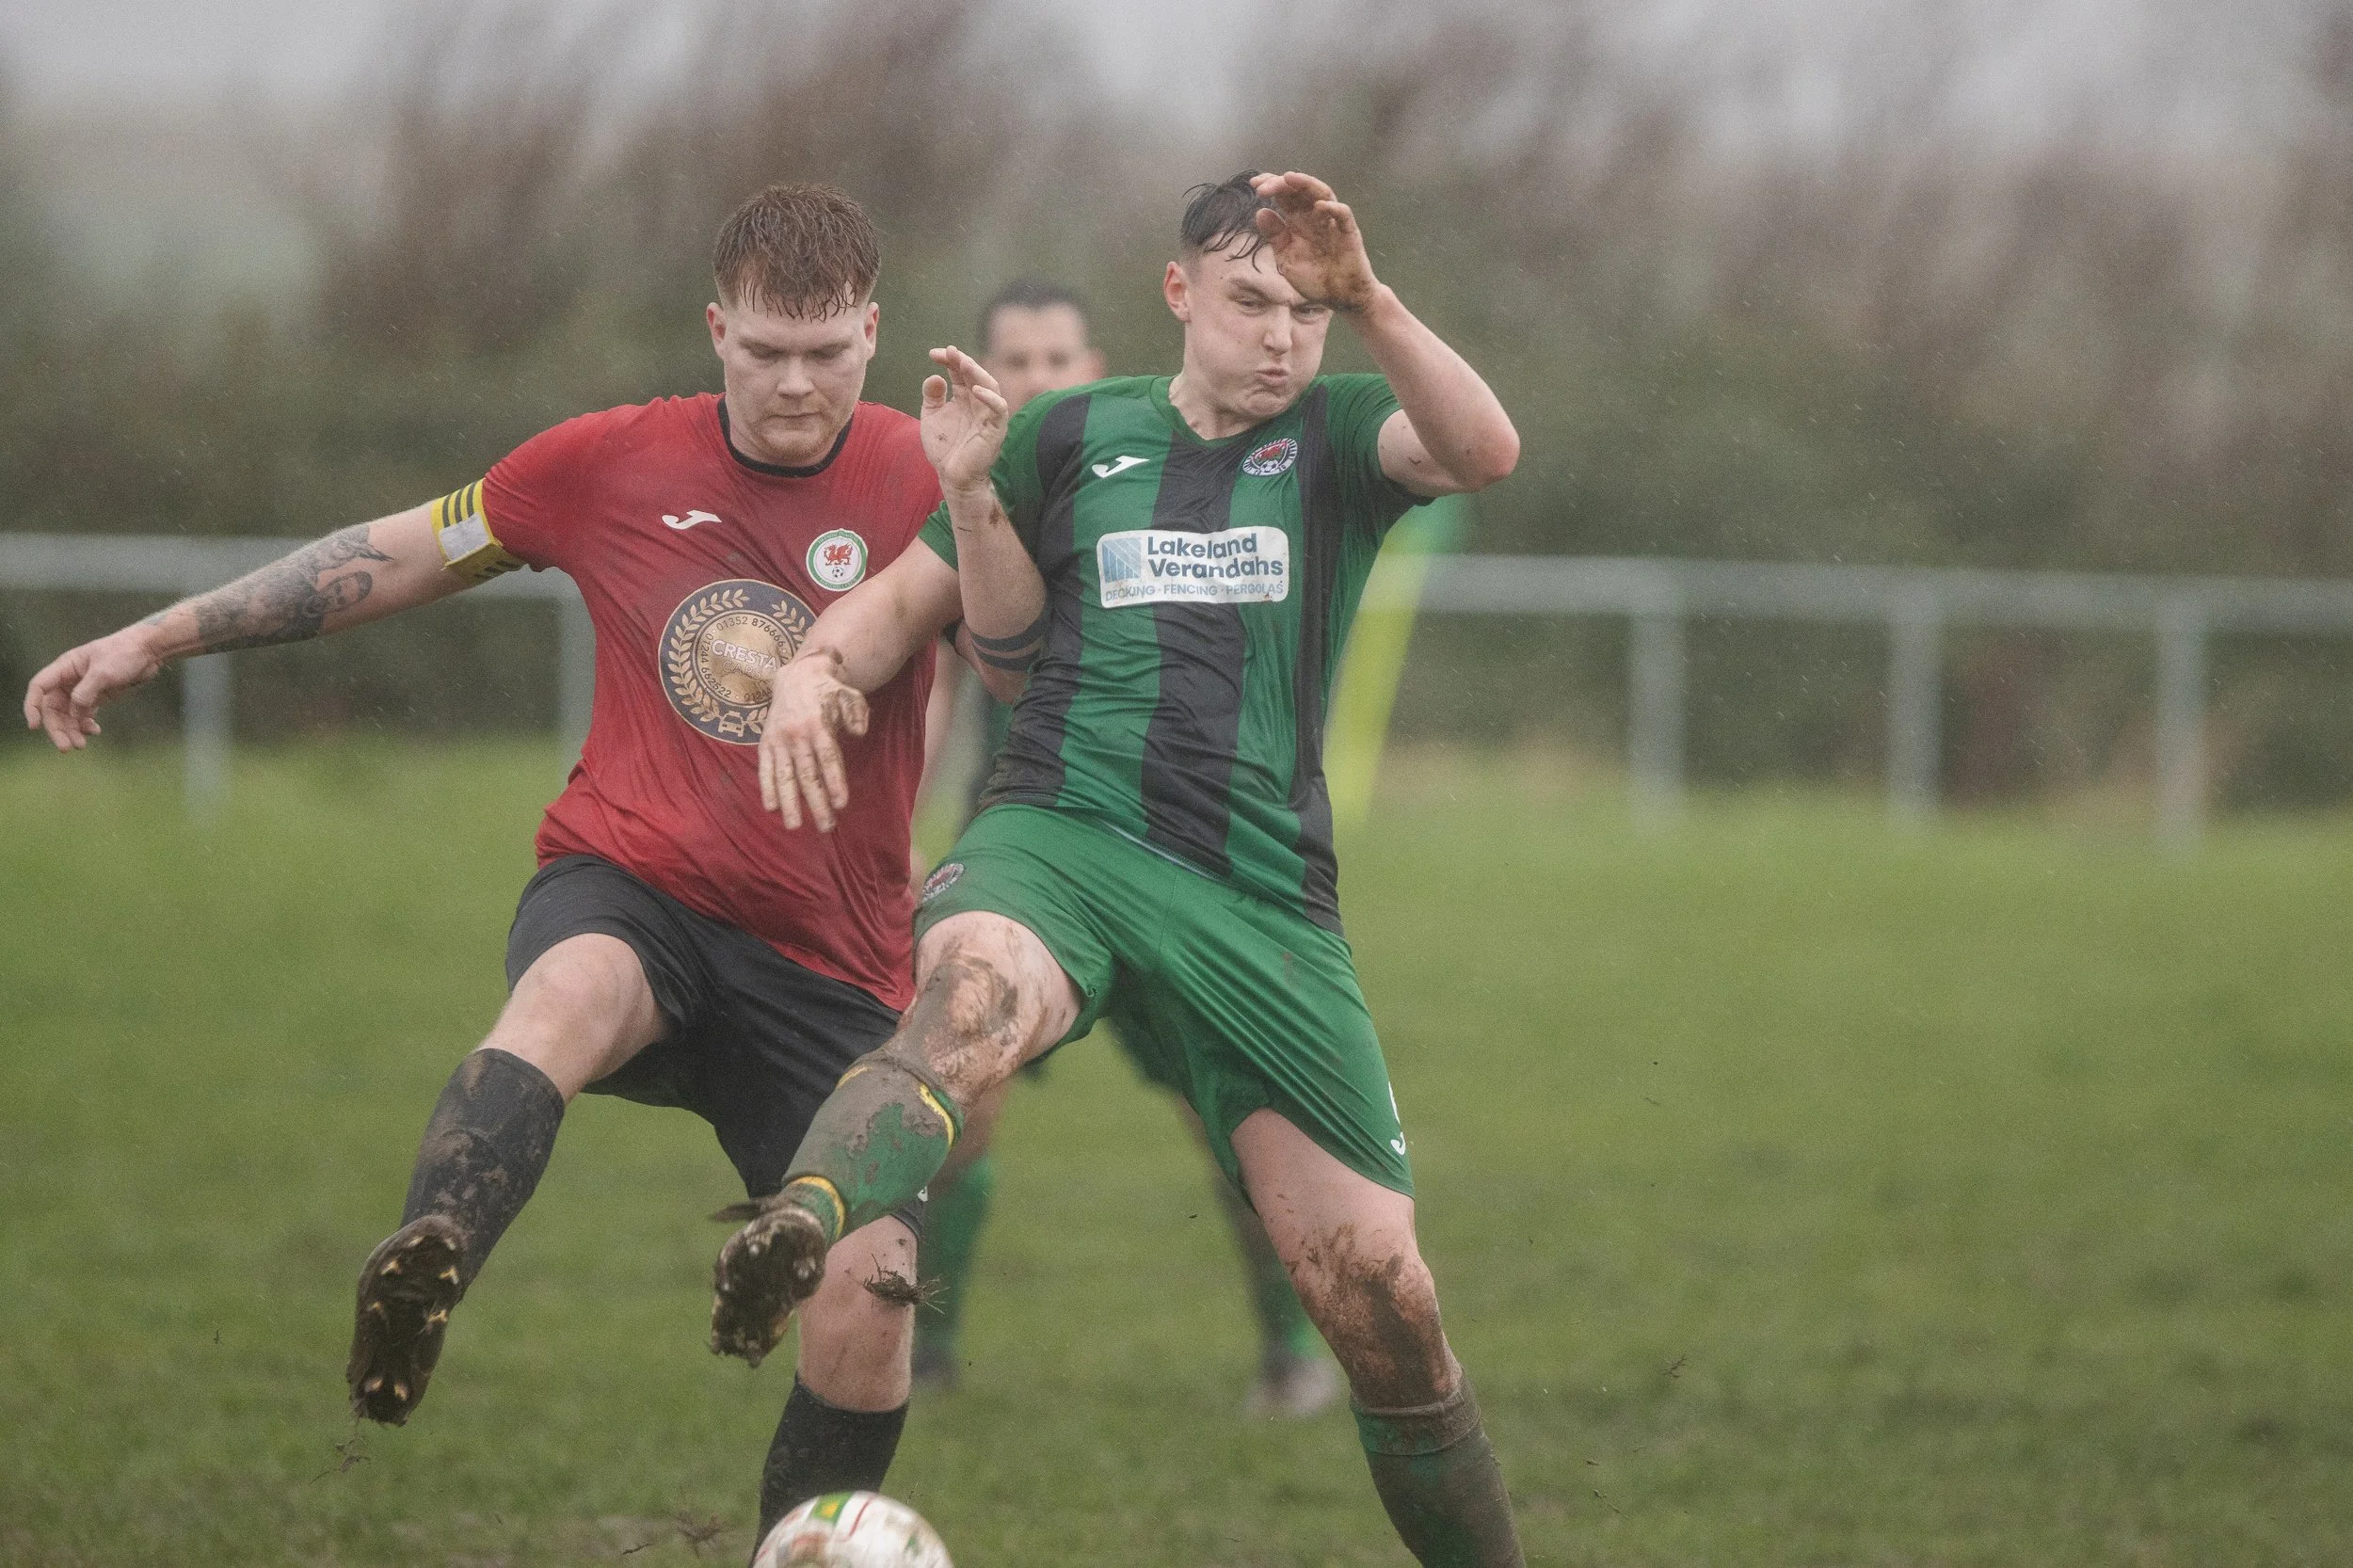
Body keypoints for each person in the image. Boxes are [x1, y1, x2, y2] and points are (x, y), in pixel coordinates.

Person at [22, 184, 974, 1543]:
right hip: (635, 882)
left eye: (825, 352)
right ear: (714, 330)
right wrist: (161, 638)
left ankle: (795, 1542)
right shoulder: (608, 462)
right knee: (565, 996)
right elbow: (398, 551)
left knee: (870, 1297)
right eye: (764, 349)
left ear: (874, 334)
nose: (793, 381)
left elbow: (1031, 631)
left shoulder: (923, 471)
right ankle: (431, 1260)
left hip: (831, 957)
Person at [718, 170, 1526, 1566]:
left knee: (1388, 1303)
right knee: (966, 1005)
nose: (1284, 338)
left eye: (1306, 314)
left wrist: (1374, 299)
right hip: (1061, 836)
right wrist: (815, 665)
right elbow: (956, 620)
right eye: (1253, 304)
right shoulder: (1069, 432)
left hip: (1259, 900)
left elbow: (1486, 448)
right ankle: (801, 1219)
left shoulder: (1335, 434)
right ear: (1179, 294)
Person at [912, 279, 1337, 1418]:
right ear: (981, 371)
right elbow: (936, 689)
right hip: (1018, 846)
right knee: (955, 1095)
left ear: (1095, 358)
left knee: (1232, 1123)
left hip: (1175, 859)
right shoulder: (978, 500)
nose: (1041, 375)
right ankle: (928, 1353)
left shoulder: (1141, 483)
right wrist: (907, 840)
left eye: (1060, 354)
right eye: (1018, 355)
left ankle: (1292, 1355)